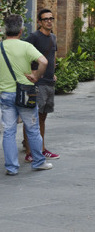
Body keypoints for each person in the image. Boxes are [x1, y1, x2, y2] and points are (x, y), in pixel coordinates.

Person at [0, 14, 53, 174]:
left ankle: (11, 167)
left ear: (4, 30)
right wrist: (36, 76)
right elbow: (44, 61)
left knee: (8, 132)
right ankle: (38, 162)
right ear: (21, 31)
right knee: (32, 129)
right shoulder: (25, 47)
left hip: (6, 94)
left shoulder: (1, 46)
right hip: (26, 93)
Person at [23, 9, 60, 163]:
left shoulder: (53, 37)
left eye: (51, 18)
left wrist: (53, 72)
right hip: (37, 83)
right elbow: (24, 56)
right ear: (39, 22)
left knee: (42, 117)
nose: (49, 21)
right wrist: (30, 73)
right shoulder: (33, 37)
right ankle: (29, 151)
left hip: (49, 82)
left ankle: (42, 148)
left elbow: (52, 57)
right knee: (32, 117)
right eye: (45, 19)